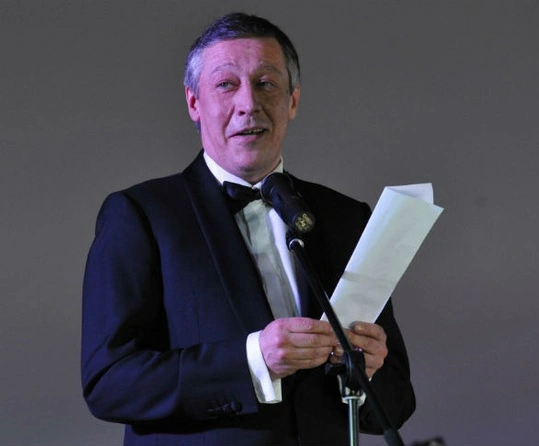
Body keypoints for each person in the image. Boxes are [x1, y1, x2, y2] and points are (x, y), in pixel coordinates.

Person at [81, 12, 415, 445]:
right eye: (226, 84)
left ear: (292, 101)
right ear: (194, 103)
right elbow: (109, 383)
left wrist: (366, 371)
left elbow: (397, 403)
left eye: (266, 83)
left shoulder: (346, 217)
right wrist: (254, 360)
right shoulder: (140, 215)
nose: (248, 103)